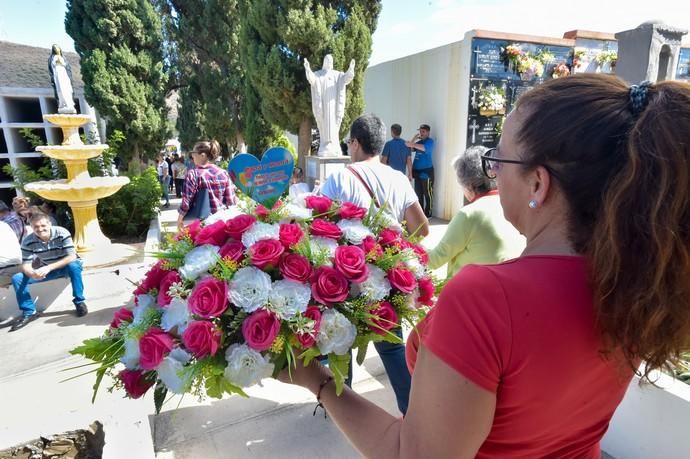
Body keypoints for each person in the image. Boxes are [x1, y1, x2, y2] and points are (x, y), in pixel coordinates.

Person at [278, 74, 690, 457]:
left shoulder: (485, 299)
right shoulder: (642, 281)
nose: (492, 173)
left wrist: (316, 380)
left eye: (499, 161)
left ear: (538, 184)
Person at [319, 113, 429, 415]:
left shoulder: (340, 178)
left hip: (346, 278)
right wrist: (391, 248)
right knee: (392, 347)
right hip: (389, 279)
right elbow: (421, 229)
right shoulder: (397, 177)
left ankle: (346, 412)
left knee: (342, 345)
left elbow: (317, 226)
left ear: (355, 143)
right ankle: (412, 411)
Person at [426, 146, 525, 279]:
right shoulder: (514, 206)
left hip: (474, 292)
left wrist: (410, 248)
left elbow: (434, 260)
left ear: (467, 185)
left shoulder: (469, 214)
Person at [9, 213, 87, 332]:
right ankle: (29, 311)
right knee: (17, 278)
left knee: (74, 266)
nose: (40, 229)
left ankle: (79, 301)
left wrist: (49, 267)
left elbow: (71, 257)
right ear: (31, 227)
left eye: (43, 225)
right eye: (36, 227)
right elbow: (25, 265)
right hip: (47, 270)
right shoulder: (28, 241)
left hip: (65, 267)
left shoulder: (62, 232)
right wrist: (32, 273)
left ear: (49, 224)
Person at [177, 140, 237, 230]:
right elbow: (231, 201)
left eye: (193, 153)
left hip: (201, 226)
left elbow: (186, 202)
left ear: (203, 155)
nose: (192, 156)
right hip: (221, 224)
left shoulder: (193, 174)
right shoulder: (223, 173)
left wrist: (179, 220)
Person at [304, 54, 355, 157]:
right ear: (324, 62)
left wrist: (351, 69)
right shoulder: (318, 74)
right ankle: (324, 145)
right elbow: (312, 80)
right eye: (327, 60)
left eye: (330, 60)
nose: (329, 62)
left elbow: (346, 78)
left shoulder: (337, 75)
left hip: (333, 106)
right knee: (324, 126)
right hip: (323, 107)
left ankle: (334, 146)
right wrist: (308, 69)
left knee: (334, 126)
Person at [406, 124, 435, 217]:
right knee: (418, 194)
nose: (421, 133)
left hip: (426, 173)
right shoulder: (418, 142)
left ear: (428, 132)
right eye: (420, 131)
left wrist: (412, 144)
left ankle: (428, 214)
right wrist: (414, 138)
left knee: (428, 194)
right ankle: (421, 214)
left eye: (423, 131)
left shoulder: (430, 142)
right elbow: (409, 148)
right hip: (417, 173)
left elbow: (424, 148)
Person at [48, 44, 76, 114]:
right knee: (60, 90)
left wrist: (61, 62)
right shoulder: (52, 58)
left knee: (67, 89)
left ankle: (69, 103)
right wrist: (55, 62)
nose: (57, 50)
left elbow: (67, 66)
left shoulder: (63, 58)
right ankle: (62, 103)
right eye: (55, 48)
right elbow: (51, 67)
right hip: (57, 76)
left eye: (57, 48)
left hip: (64, 75)